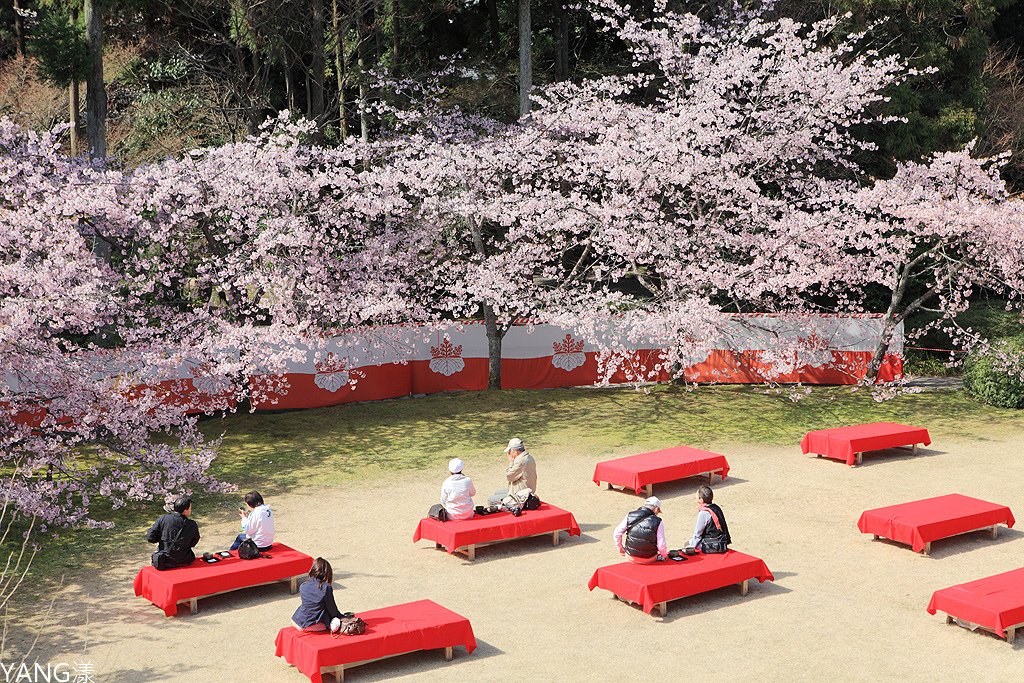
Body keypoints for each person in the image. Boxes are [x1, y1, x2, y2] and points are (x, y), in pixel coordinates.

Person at [146, 496, 201, 569]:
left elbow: (150, 537)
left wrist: (163, 540)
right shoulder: (191, 524)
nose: (191, 510)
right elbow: (194, 542)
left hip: (165, 561)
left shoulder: (163, 519)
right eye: (190, 508)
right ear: (185, 511)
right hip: (184, 560)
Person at [292, 557, 345, 633]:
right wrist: (343, 617)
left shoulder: (303, 585)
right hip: (312, 625)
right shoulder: (325, 587)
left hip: (297, 621)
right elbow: (332, 610)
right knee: (333, 623)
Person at [613, 496, 669, 564]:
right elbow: (661, 545)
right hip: (649, 558)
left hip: (630, 556)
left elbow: (617, 533)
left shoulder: (630, 515)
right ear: (656, 509)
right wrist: (664, 555)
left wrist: (620, 548)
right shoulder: (658, 521)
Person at [488, 437, 538, 505]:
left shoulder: (520, 461)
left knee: (491, 500)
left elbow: (509, 477)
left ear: (515, 451)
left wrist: (511, 462)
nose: (509, 453)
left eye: (510, 451)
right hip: (527, 490)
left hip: (520, 495)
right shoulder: (529, 457)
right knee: (498, 492)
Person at [686, 485, 731, 553]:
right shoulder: (717, 508)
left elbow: (698, 534)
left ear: (701, 500)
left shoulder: (703, 513)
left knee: (687, 543)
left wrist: (690, 547)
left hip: (710, 544)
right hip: (721, 542)